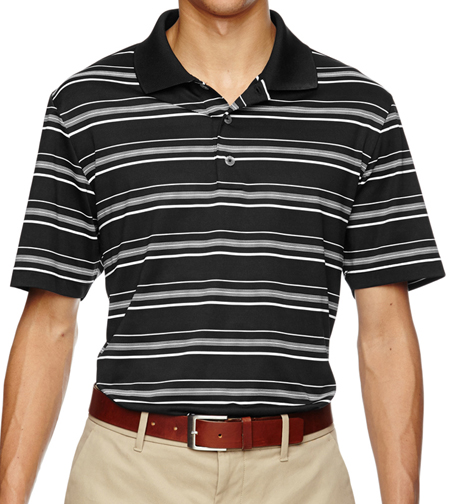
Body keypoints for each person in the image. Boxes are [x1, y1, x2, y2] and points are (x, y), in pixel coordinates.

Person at [0, 0, 446, 503]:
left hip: (301, 479)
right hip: (127, 475)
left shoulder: (362, 110)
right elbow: (50, 322)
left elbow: (385, 332)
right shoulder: (85, 105)